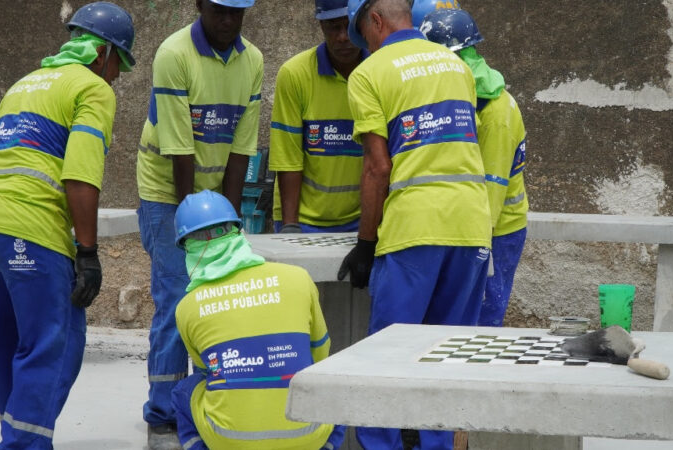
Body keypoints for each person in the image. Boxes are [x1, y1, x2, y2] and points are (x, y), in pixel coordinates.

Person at [0, 2, 135, 448]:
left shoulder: (22, 84)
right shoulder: (92, 88)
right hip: (29, 228)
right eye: (119, 67)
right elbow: (80, 173)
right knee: (56, 347)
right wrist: (88, 253)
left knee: (7, 350)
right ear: (103, 54)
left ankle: (18, 438)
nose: (116, 78)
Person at [339, 0, 492, 448]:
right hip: (470, 225)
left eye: (361, 33)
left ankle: (382, 445)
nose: (363, 44)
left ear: (375, 21)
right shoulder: (456, 65)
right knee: (448, 357)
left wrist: (366, 244)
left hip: (414, 229)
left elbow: (377, 167)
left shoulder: (370, 73)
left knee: (386, 356)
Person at [135, 0, 263, 447]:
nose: (228, 20)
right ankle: (164, 412)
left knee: (218, 293)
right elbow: (178, 147)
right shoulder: (174, 55)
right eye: (219, 10)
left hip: (213, 198)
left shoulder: (253, 61)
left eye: (237, 12)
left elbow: (241, 147)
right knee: (176, 300)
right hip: (168, 194)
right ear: (199, 6)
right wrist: (195, 227)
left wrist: (226, 226)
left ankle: (207, 403)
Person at [169, 190, 346, 449]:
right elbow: (320, 353)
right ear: (238, 231)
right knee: (337, 383)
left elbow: (208, 371)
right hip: (308, 433)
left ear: (187, 247)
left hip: (229, 440)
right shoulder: (297, 278)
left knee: (185, 390)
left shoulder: (187, 307)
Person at [421, 8, 529, 327]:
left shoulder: (496, 114)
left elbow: (491, 193)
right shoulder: (467, 97)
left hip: (495, 231)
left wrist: (476, 247)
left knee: (482, 319)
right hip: (469, 226)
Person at [269, 0, 367, 233]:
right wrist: (290, 226)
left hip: (361, 219)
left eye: (350, 27)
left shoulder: (379, 70)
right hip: (304, 219)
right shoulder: (295, 74)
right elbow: (287, 156)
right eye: (334, 27)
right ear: (321, 26)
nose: (343, 37)